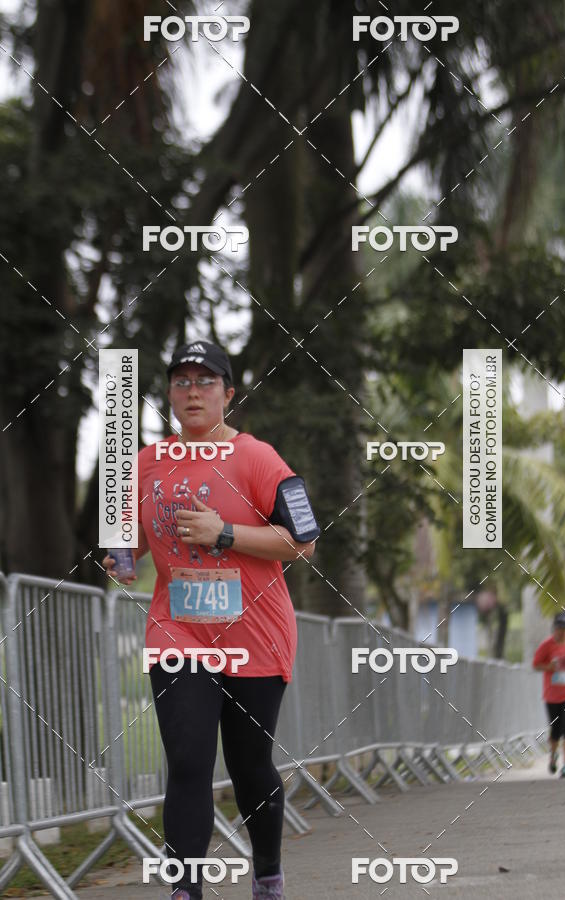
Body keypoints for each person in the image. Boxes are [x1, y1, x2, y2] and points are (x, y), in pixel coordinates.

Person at [103, 339, 321, 900]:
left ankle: (267, 872)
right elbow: (132, 539)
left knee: (250, 767)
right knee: (189, 760)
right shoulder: (147, 463)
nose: (192, 391)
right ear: (171, 394)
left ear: (228, 393)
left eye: (205, 381)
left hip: (256, 633)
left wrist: (224, 533)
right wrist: (122, 557)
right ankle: (185, 891)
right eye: (182, 381)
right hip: (179, 630)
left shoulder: (257, 458)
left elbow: (304, 542)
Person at [532, 611, 565, 778]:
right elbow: (536, 665)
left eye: (564, 627)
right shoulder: (546, 646)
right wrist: (550, 667)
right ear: (554, 627)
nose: (562, 631)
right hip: (552, 695)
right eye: (559, 627)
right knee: (555, 731)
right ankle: (554, 755)